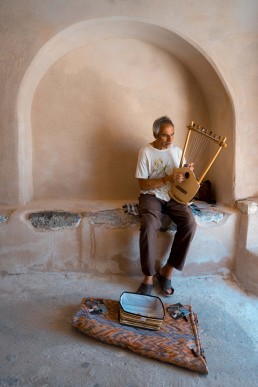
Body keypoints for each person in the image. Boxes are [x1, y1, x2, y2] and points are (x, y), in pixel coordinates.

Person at [135, 116, 197, 296]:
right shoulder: (145, 152)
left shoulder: (177, 151)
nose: (170, 140)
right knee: (149, 224)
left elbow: (184, 178)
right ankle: (148, 276)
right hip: (151, 196)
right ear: (155, 134)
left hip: (174, 196)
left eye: (172, 135)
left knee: (190, 224)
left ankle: (167, 271)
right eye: (164, 136)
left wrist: (188, 173)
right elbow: (142, 185)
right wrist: (166, 178)